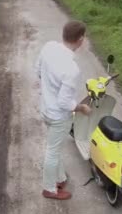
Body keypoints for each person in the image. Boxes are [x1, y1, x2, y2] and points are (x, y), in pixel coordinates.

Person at [35, 20, 91, 200]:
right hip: (59, 116)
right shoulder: (71, 69)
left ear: (64, 34)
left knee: (55, 147)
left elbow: (38, 71)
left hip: (45, 109)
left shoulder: (48, 47)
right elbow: (65, 102)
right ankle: (49, 188)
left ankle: (59, 178)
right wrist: (81, 107)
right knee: (52, 151)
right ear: (81, 39)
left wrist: (49, 88)